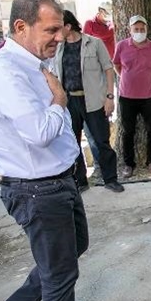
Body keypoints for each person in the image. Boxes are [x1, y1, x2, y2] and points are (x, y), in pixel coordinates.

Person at [0, 0, 88, 301]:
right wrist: (60, 101)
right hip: (38, 190)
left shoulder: (34, 62)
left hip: (60, 181)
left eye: (60, 29)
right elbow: (40, 132)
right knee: (60, 277)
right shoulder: (6, 71)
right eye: (50, 30)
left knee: (71, 252)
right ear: (21, 27)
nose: (59, 37)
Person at [53, 10, 124, 193]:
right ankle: (80, 181)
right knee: (72, 142)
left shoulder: (94, 43)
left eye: (59, 27)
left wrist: (109, 97)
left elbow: (108, 69)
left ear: (68, 26)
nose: (56, 31)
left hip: (93, 100)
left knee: (101, 141)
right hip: (69, 102)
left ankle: (110, 179)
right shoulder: (58, 47)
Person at [113, 15, 151, 178]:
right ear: (130, 30)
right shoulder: (121, 46)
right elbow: (116, 65)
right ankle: (128, 164)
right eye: (136, 29)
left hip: (148, 96)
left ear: (146, 30)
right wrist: (127, 77)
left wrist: (148, 80)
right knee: (128, 131)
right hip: (127, 96)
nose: (139, 32)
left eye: (142, 29)